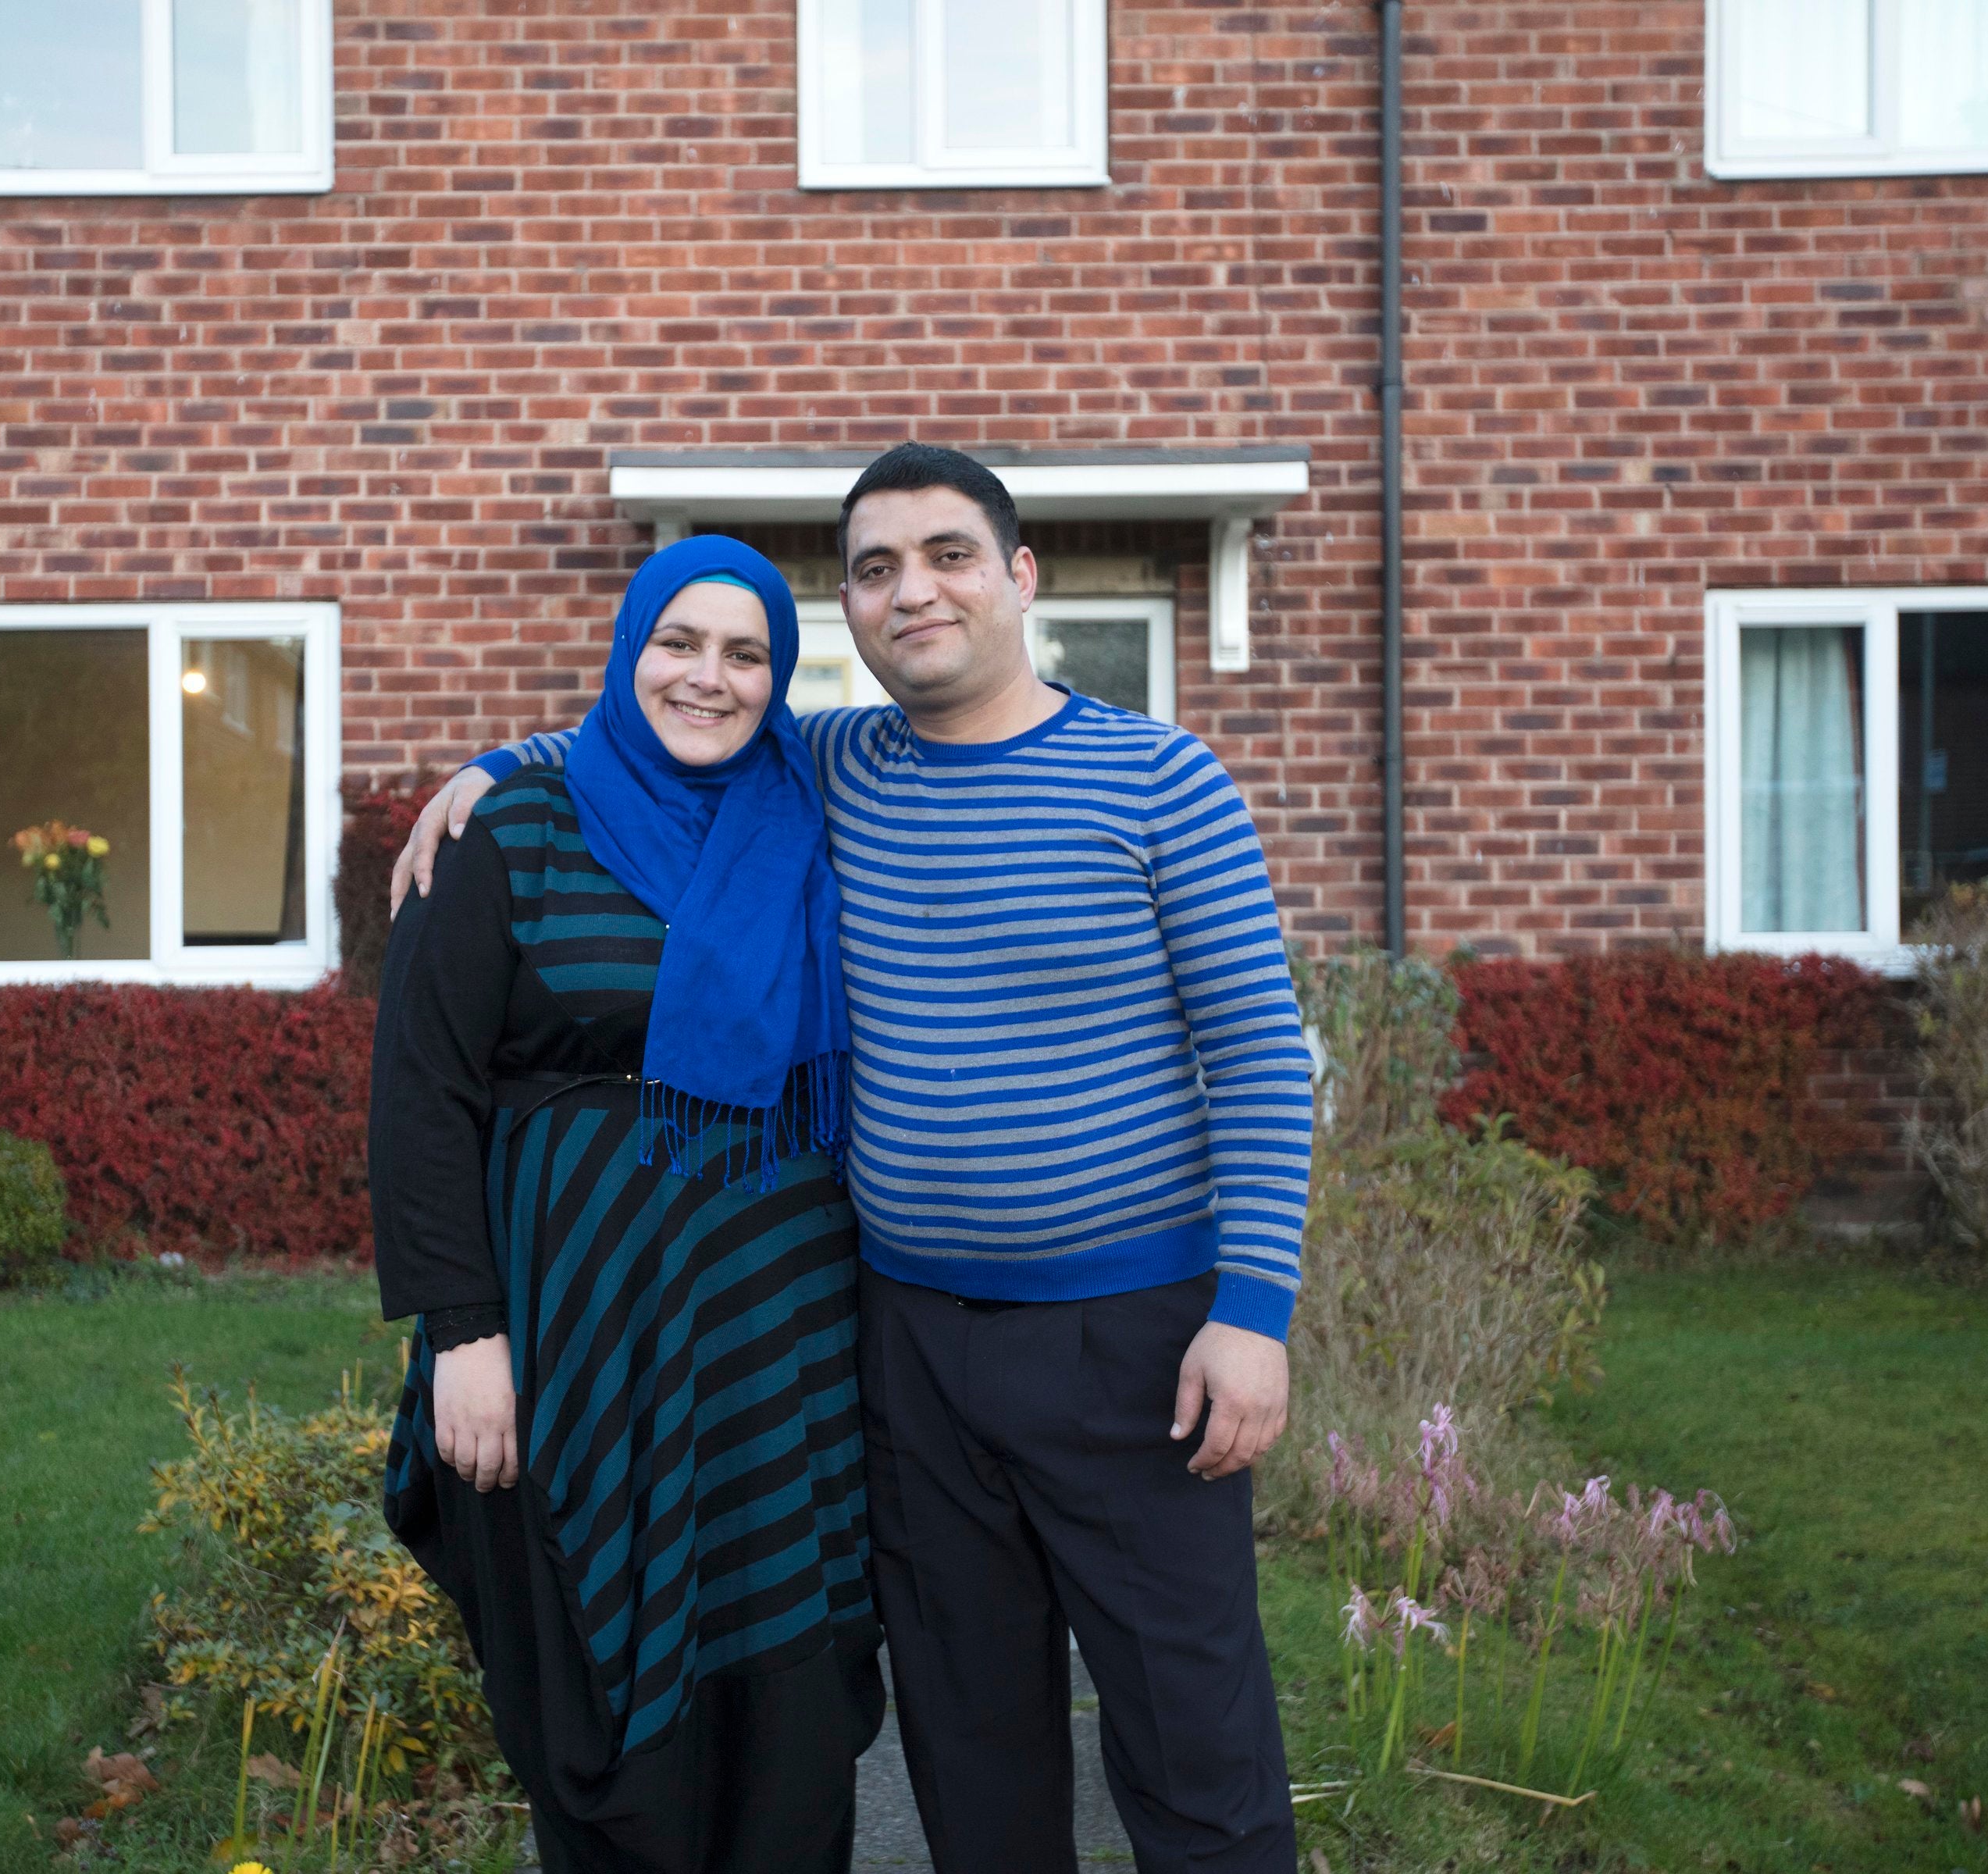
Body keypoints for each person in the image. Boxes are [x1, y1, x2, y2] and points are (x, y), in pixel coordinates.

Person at [397, 442, 1313, 1874]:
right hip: (907, 1347)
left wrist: (1252, 1311)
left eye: (949, 554)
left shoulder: (1160, 782)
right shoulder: (827, 770)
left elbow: (1262, 1057)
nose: (914, 591)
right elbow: (662, 732)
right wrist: (495, 766)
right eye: (876, 569)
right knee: (972, 1750)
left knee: (1193, 1747)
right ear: (852, 611)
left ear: (1020, 575)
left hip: (1128, 1345)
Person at [368, 536, 884, 1874]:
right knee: (603, 1713)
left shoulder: (813, 811)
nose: (707, 679)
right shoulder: (512, 831)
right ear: (626, 647)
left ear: (781, 678)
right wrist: (461, 1334)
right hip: (567, 1348)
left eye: (746, 654)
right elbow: (421, 1096)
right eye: (677, 643)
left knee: (788, 1693)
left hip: (784, 1353)